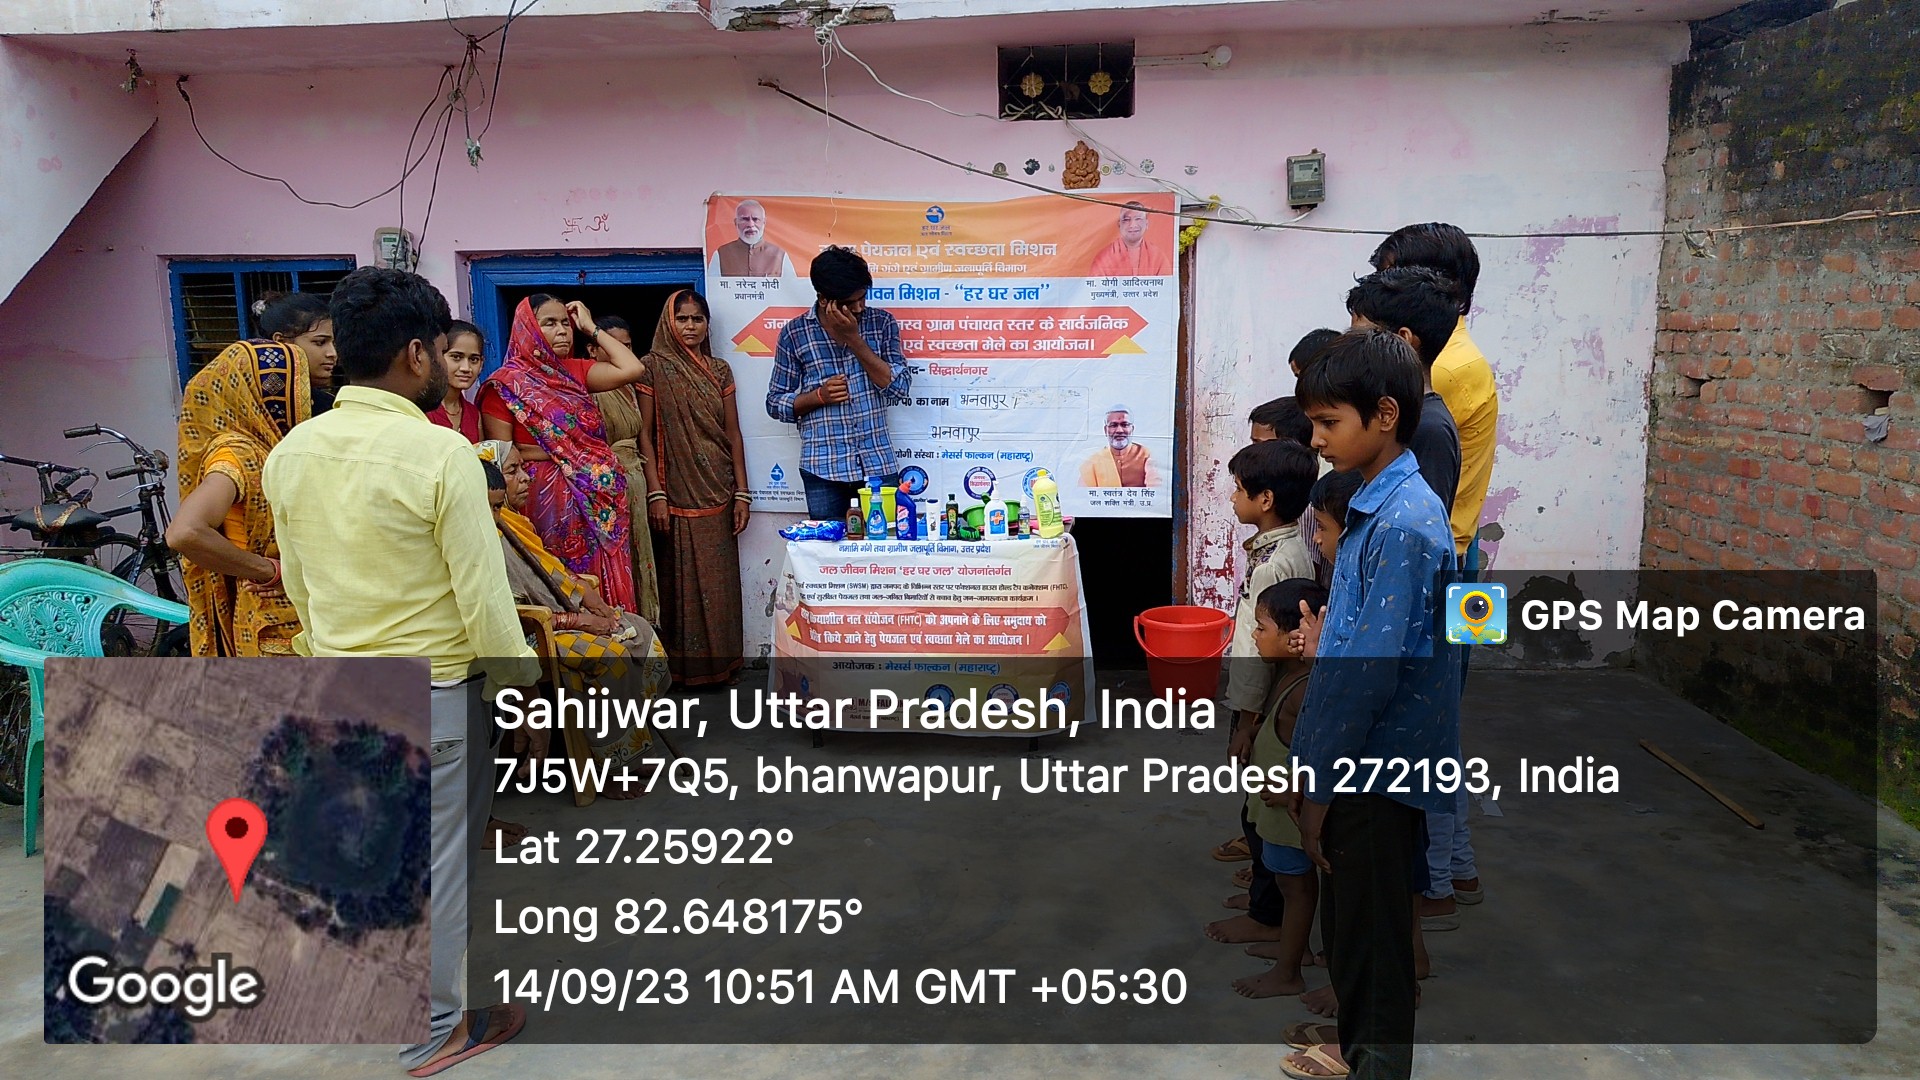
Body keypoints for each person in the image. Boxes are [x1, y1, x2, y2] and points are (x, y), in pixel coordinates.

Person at [260, 267, 539, 1077]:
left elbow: (299, 586)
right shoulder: (442, 454)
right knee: (440, 864)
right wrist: (520, 686)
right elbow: (483, 597)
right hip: (438, 693)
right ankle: (443, 1027)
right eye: (442, 350)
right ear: (418, 354)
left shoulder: (291, 453)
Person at [1283, 329, 1460, 1080]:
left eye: (1329, 423)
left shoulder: (1402, 523)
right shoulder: (1376, 505)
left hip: (1373, 768)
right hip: (1361, 759)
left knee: (1373, 937)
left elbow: (1367, 675)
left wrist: (1320, 781)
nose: (1316, 441)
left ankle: (1377, 1064)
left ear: (1385, 415)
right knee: (1355, 927)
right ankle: (1361, 1055)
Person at [480, 443, 665, 798]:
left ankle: (632, 747)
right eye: (512, 471)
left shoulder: (514, 524)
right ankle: (605, 766)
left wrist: (587, 598)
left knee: (640, 631)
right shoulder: (488, 535)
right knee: (610, 658)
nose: (525, 478)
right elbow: (510, 610)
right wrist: (579, 620)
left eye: (522, 468)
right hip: (528, 633)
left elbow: (550, 576)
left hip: (555, 616)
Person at [1203, 438, 1315, 933]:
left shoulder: (1276, 564)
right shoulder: (1281, 550)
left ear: (1265, 499)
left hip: (1265, 706)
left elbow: (1259, 655)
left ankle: (1267, 914)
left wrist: (1247, 722)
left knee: (1262, 807)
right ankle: (1264, 894)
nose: (1232, 498)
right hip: (1267, 702)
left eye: (1238, 489)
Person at [478, 294, 649, 610]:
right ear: (528, 329)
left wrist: (591, 327)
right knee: (559, 581)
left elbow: (633, 367)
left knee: (599, 575)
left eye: (565, 324)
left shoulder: (574, 371)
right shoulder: (505, 386)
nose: (562, 331)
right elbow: (503, 458)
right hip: (542, 500)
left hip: (596, 499)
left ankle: (614, 630)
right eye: (549, 323)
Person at [631, 291, 749, 686]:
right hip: (675, 492)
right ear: (669, 322)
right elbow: (644, 435)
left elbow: (733, 433)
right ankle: (684, 672)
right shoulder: (650, 367)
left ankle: (724, 666)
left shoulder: (720, 371)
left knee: (719, 584)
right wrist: (656, 492)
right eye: (682, 319)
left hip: (718, 488)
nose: (690, 327)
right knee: (678, 583)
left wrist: (742, 492)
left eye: (697, 319)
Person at [169, 340, 312, 657]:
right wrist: (268, 571)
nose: (304, 399)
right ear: (259, 396)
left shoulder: (267, 448)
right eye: (293, 387)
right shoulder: (237, 453)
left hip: (290, 617)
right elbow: (185, 532)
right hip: (271, 623)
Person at [1370, 223, 1499, 566]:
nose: (1377, 288)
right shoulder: (1441, 352)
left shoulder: (1441, 366)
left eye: (1389, 276)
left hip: (1425, 552)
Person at [1233, 577, 1329, 1000]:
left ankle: (1288, 972)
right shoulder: (1289, 676)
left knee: (1297, 890)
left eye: (1261, 628)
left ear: (1294, 637)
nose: (1254, 636)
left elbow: (1319, 751)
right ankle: (1294, 949)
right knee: (1288, 884)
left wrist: (1295, 788)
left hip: (1288, 813)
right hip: (1273, 810)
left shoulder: (1305, 689)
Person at [766, 247, 912, 519]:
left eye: (862, 297)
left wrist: (854, 339)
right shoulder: (794, 333)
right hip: (822, 468)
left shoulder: (881, 323)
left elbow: (899, 388)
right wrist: (818, 396)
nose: (859, 308)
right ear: (824, 299)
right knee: (826, 544)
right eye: (849, 302)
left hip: (877, 464)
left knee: (887, 542)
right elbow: (774, 403)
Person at [1347, 267, 1462, 523]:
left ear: (1403, 340)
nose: (1350, 349)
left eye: (1360, 338)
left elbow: (1419, 526)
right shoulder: (1394, 414)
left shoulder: (1430, 428)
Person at [586, 315, 662, 625]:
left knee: (639, 551)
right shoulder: (588, 387)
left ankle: (643, 624)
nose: (623, 352)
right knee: (614, 558)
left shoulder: (630, 388)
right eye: (614, 345)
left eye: (628, 346)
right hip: (605, 485)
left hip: (635, 478)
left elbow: (644, 437)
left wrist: (655, 491)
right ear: (593, 350)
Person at [257, 292, 338, 413]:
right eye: (320, 342)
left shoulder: (327, 405)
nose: (333, 353)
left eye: (334, 344)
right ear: (282, 342)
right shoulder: (254, 402)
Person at [425, 319, 485, 443]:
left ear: (481, 364)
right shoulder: (422, 410)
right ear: (438, 357)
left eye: (474, 359)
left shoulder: (474, 414)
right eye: (456, 357)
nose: (466, 368)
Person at [711, 199, 791, 278]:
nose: (750, 224)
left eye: (755, 219)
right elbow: (712, 284)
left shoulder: (779, 255)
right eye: (745, 219)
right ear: (736, 223)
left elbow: (791, 285)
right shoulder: (721, 254)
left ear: (764, 222)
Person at [1090, 200, 1173, 276]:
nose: (1132, 225)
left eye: (1138, 219)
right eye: (1126, 219)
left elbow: (1167, 285)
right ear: (1119, 224)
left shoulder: (1158, 257)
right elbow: (1095, 286)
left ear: (1146, 224)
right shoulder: (1104, 258)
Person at [1080, 406, 1156, 487]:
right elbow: (1083, 493)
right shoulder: (1093, 462)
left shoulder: (1146, 455)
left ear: (1132, 429)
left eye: (1125, 425)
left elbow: (1156, 490)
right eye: (1113, 425)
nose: (1119, 430)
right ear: (1105, 430)